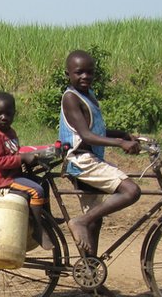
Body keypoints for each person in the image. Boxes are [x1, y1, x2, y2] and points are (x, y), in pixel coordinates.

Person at [58, 49, 142, 258]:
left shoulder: (89, 95)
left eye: (89, 72)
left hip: (91, 159)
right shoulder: (71, 98)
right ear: (68, 74)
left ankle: (90, 272)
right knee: (131, 191)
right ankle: (79, 222)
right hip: (82, 162)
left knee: (95, 218)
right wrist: (119, 142)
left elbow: (96, 130)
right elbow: (86, 136)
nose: (85, 76)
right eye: (79, 72)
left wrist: (123, 134)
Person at [0, 91, 53, 250]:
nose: (4, 117)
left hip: (16, 175)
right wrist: (22, 159)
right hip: (4, 180)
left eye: (8, 114)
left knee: (44, 183)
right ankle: (38, 229)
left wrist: (29, 158)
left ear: (14, 114)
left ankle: (46, 219)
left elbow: (14, 152)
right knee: (36, 191)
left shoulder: (11, 132)